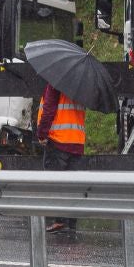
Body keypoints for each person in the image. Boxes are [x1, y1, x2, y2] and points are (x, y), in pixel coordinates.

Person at [36, 83, 85, 233]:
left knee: (55, 183)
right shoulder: (82, 86)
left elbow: (49, 109)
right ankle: (71, 222)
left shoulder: (55, 83)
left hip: (58, 141)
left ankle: (59, 221)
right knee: (73, 185)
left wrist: (42, 133)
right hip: (76, 141)